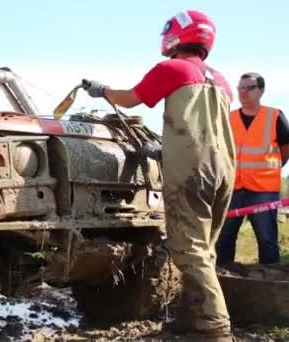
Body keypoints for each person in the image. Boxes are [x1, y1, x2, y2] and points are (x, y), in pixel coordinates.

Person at [81, 10, 235, 340]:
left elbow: (131, 99)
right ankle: (192, 316)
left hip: (192, 170)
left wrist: (102, 90)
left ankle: (214, 328)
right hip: (224, 169)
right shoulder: (221, 80)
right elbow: (204, 128)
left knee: (188, 248)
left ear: (175, 37)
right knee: (204, 248)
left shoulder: (172, 68)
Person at [216, 73, 289, 265]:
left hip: (263, 191)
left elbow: (287, 148)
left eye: (249, 88)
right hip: (233, 188)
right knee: (224, 238)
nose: (243, 92)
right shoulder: (229, 117)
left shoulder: (274, 116)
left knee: (267, 241)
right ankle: (225, 279)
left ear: (261, 91)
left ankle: (269, 284)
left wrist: (273, 169)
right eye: (240, 88)